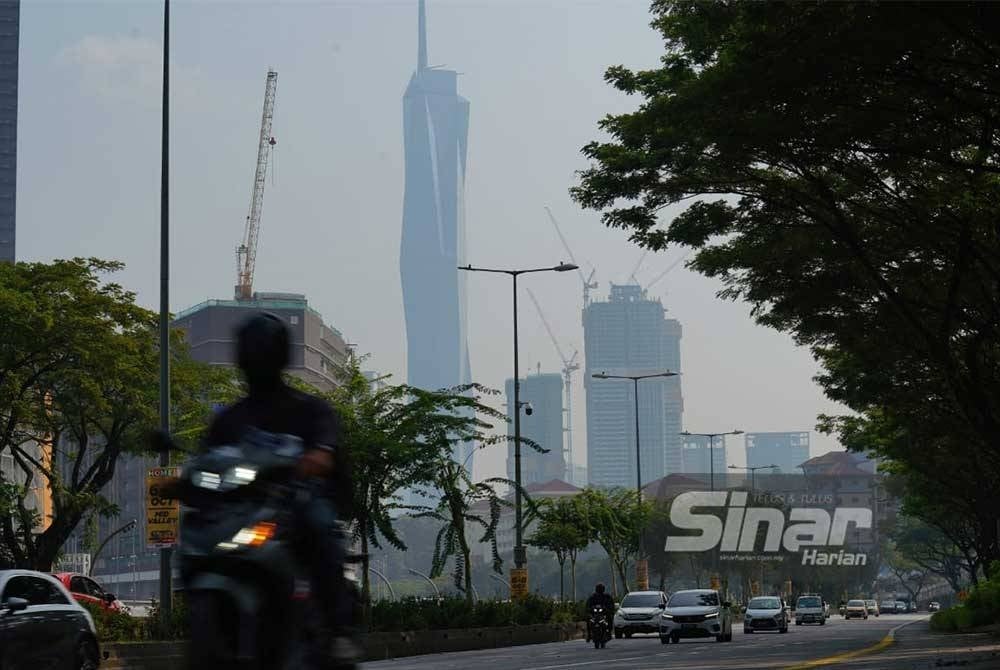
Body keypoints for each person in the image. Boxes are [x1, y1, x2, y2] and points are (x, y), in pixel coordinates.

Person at [200, 312, 355, 664]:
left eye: (263, 352)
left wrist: (314, 458)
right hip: (243, 520)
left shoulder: (311, 410)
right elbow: (205, 465)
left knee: (320, 525)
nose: (257, 360)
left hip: (292, 516)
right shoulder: (228, 420)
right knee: (200, 549)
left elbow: (325, 451)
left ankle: (338, 632)